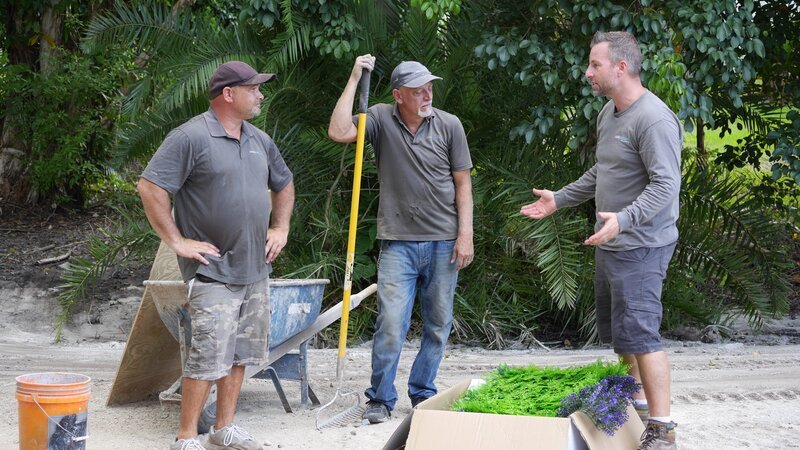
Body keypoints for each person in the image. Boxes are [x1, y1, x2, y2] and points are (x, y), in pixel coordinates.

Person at [520, 31, 682, 450]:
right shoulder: (609, 113)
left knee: (642, 336)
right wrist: (560, 199)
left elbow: (666, 185)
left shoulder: (654, 119)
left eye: (595, 64)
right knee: (624, 338)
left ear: (621, 67)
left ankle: (663, 431)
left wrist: (625, 220)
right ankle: (639, 409)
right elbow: (602, 172)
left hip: (643, 245)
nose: (587, 72)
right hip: (613, 243)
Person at [138, 61, 295, 450]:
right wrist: (177, 241)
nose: (260, 94)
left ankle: (224, 428)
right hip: (213, 272)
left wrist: (280, 228)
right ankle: (186, 436)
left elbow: (285, 182)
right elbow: (150, 187)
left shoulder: (259, 140)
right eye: (253, 88)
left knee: (241, 354)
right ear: (229, 94)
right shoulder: (189, 137)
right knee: (207, 355)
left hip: (255, 270)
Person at [328, 55, 474, 423]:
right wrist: (354, 75)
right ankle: (380, 398)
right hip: (398, 243)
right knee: (391, 324)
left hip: (444, 242)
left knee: (438, 325)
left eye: (429, 87)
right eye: (417, 90)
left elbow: (463, 183)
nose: (427, 94)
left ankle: (423, 393)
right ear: (398, 95)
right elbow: (338, 130)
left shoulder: (450, 125)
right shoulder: (379, 118)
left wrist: (466, 235)